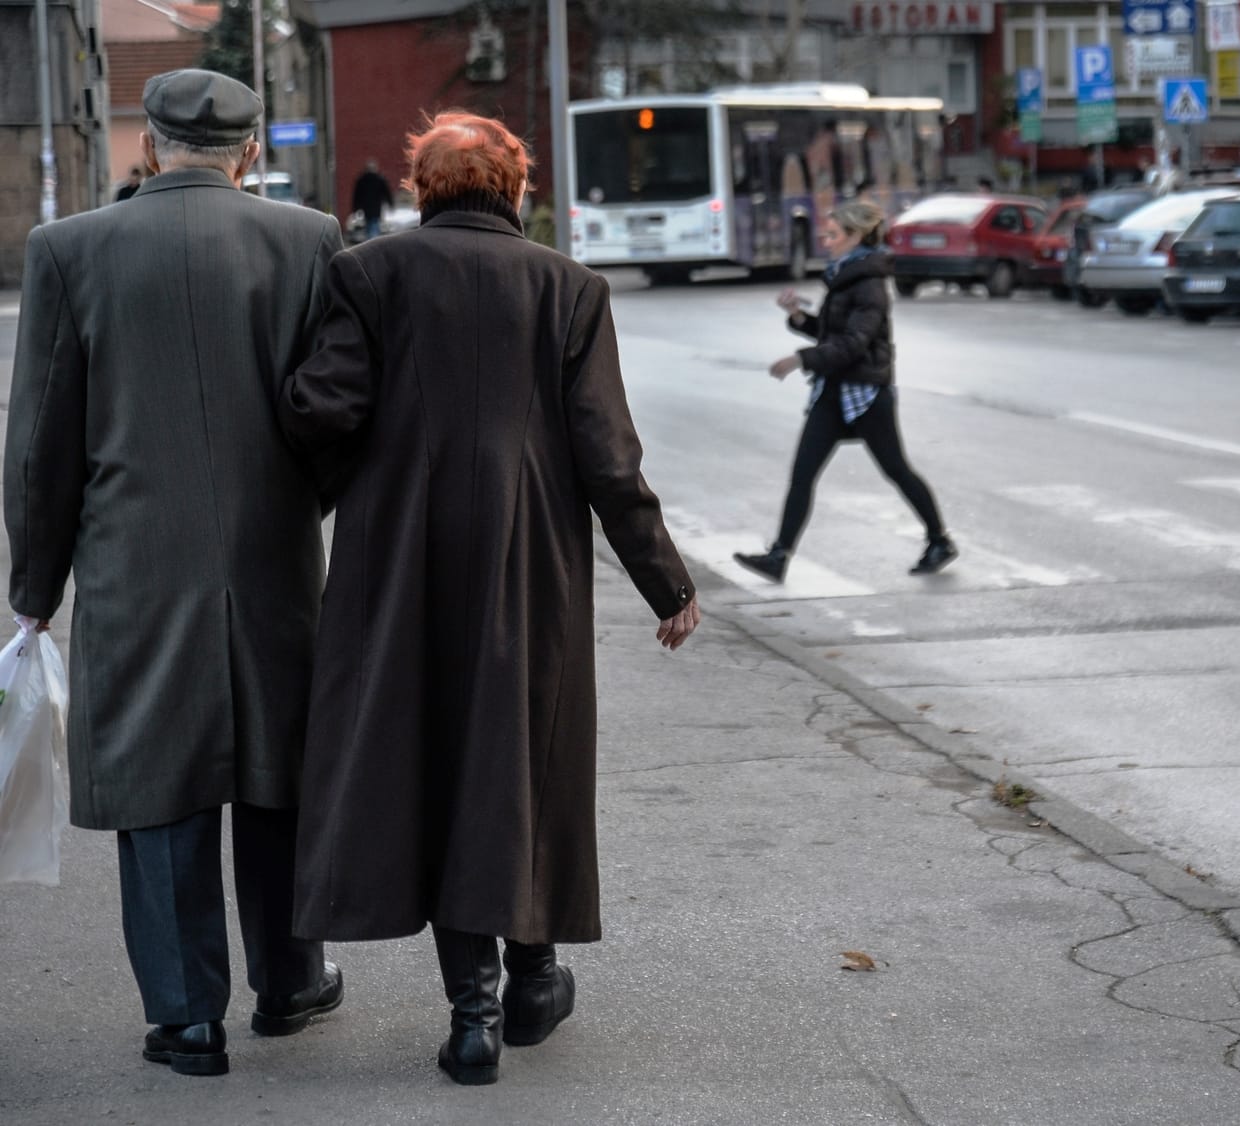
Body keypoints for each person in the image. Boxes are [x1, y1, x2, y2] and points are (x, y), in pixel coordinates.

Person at [278, 110, 701, 1087]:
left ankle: (473, 1017)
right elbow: (607, 454)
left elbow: (321, 408)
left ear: (423, 189)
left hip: (398, 567)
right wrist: (664, 579)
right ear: (517, 188)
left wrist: (356, 472)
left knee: (427, 763)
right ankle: (534, 975)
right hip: (530, 564)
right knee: (519, 754)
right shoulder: (570, 288)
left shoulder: (368, 275)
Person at [4, 68, 345, 1079]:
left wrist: (36, 584)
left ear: (146, 148)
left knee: (161, 783)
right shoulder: (313, 241)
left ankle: (187, 1017)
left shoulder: (68, 250)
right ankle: (290, 983)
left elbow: (38, 446)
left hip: (132, 561)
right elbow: (338, 409)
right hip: (276, 553)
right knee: (279, 769)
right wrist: (303, 508)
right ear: (249, 156)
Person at [733, 200, 956, 583]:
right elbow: (833, 333)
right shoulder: (844, 274)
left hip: (867, 393)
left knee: (896, 470)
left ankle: (940, 540)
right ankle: (779, 556)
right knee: (803, 473)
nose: (825, 239)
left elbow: (854, 344)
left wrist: (801, 360)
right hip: (833, 390)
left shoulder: (869, 283)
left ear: (854, 236)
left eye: (833, 234)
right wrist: (800, 318)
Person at [351, 158, 394, 237]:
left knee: (368, 224)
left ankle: (370, 240)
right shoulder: (379, 179)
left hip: (366, 208)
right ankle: (373, 240)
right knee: (374, 224)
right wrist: (390, 203)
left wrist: (355, 208)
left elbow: (357, 195)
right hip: (376, 207)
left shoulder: (362, 180)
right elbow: (386, 193)